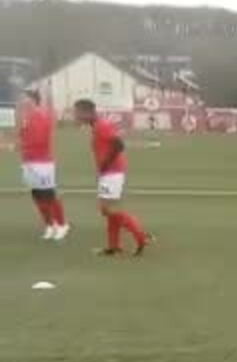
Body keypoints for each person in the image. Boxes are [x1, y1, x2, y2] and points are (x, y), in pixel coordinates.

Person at [73, 99, 149, 256]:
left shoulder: (101, 126)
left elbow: (119, 144)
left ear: (88, 112)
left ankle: (140, 236)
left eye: (78, 113)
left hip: (112, 172)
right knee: (109, 210)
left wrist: (105, 164)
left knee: (107, 209)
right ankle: (113, 247)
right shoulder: (96, 126)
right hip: (109, 172)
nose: (76, 116)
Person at [17, 89, 69, 241]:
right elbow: (23, 137)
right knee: (36, 195)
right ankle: (49, 225)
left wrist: (21, 146)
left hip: (42, 163)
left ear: (33, 100)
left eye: (25, 99)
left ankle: (62, 225)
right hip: (28, 161)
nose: (22, 102)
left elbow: (39, 140)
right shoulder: (26, 117)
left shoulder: (40, 116)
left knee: (48, 194)